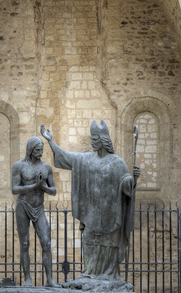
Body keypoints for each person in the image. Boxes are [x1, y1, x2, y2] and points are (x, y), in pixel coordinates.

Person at [41, 120, 140, 283]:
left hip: (111, 213)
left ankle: (108, 276)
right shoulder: (86, 160)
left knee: (109, 245)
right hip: (92, 213)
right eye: (92, 139)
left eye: (95, 140)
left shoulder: (118, 162)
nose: (92, 143)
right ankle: (90, 273)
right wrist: (51, 141)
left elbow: (126, 186)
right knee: (89, 240)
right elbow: (66, 157)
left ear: (103, 141)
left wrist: (134, 180)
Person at [12, 136, 59, 287]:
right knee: (25, 243)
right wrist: (34, 186)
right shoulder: (19, 166)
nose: (40, 152)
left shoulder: (46, 168)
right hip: (23, 206)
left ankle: (50, 280)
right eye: (37, 150)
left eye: (41, 150)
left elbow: (53, 190)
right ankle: (27, 279)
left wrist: (42, 187)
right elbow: (14, 189)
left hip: (39, 208)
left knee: (46, 243)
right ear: (30, 150)